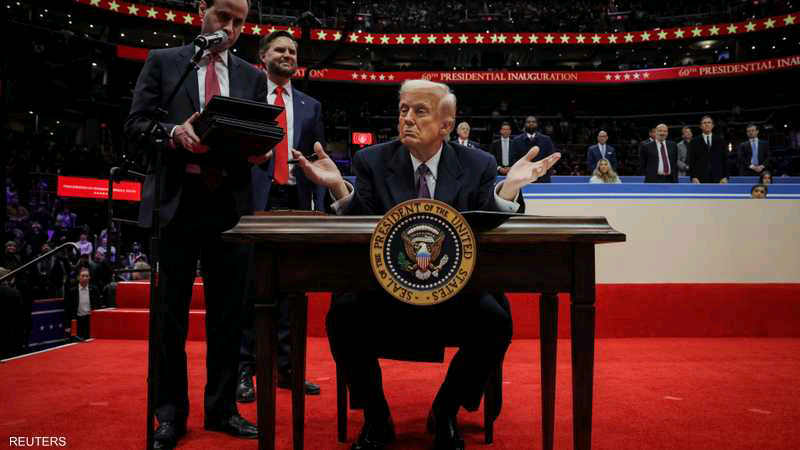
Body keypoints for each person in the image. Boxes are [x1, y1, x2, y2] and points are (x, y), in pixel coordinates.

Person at [293, 79, 560, 450]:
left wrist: (509, 189)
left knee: (496, 322)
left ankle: (447, 409)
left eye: (420, 111)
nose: (407, 119)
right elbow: (361, 224)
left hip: (456, 293)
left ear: (446, 125)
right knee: (343, 315)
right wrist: (338, 187)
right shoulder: (371, 160)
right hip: (384, 292)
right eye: (403, 109)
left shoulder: (478, 164)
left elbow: (488, 223)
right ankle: (376, 417)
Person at [123, 0, 265, 447]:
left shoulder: (253, 76)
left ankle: (222, 410)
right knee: (169, 318)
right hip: (175, 203)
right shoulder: (164, 62)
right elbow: (135, 125)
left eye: (239, 22)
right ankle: (169, 414)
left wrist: (259, 150)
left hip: (229, 204)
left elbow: (257, 135)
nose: (231, 28)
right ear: (202, 10)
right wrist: (172, 133)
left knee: (228, 317)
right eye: (224, 17)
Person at [238, 30, 324, 403]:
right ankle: (244, 369)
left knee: (292, 290)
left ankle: (289, 369)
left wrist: (318, 205)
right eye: (280, 49)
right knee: (248, 288)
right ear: (263, 56)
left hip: (294, 200)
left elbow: (318, 158)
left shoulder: (310, 105)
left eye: (292, 50)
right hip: (253, 200)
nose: (288, 55)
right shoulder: (246, 96)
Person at [509, 115, 555, 182]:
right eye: (528, 122)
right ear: (525, 124)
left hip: (542, 178)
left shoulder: (546, 140)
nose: (531, 123)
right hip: (522, 178)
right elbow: (513, 159)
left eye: (533, 122)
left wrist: (542, 170)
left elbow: (551, 158)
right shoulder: (516, 140)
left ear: (537, 124)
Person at [63, 267, 101, 340]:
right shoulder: (72, 292)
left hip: (90, 321)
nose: (85, 278)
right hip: (77, 321)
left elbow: (98, 306)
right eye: (83, 276)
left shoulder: (94, 290)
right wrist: (67, 325)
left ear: (89, 278)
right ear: (78, 277)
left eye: (87, 276)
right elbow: (67, 310)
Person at [689, 116, 728, 183]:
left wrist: (725, 176)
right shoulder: (694, 141)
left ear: (712, 126)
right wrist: (693, 177)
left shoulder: (720, 140)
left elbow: (724, 160)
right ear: (700, 126)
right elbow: (692, 161)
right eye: (704, 123)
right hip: (700, 178)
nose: (707, 124)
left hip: (718, 177)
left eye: (709, 122)